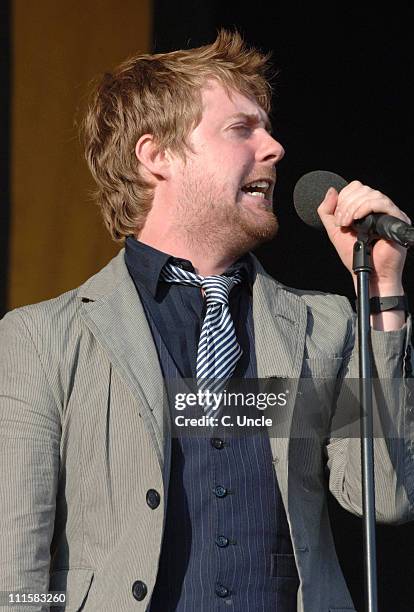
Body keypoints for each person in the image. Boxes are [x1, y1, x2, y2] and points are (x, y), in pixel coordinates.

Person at [0, 30, 412, 612]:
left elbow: (384, 496)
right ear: (156, 155)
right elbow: (14, 573)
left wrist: (383, 292)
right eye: (241, 128)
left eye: (267, 128)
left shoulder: (325, 324)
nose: (274, 148)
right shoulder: (43, 338)